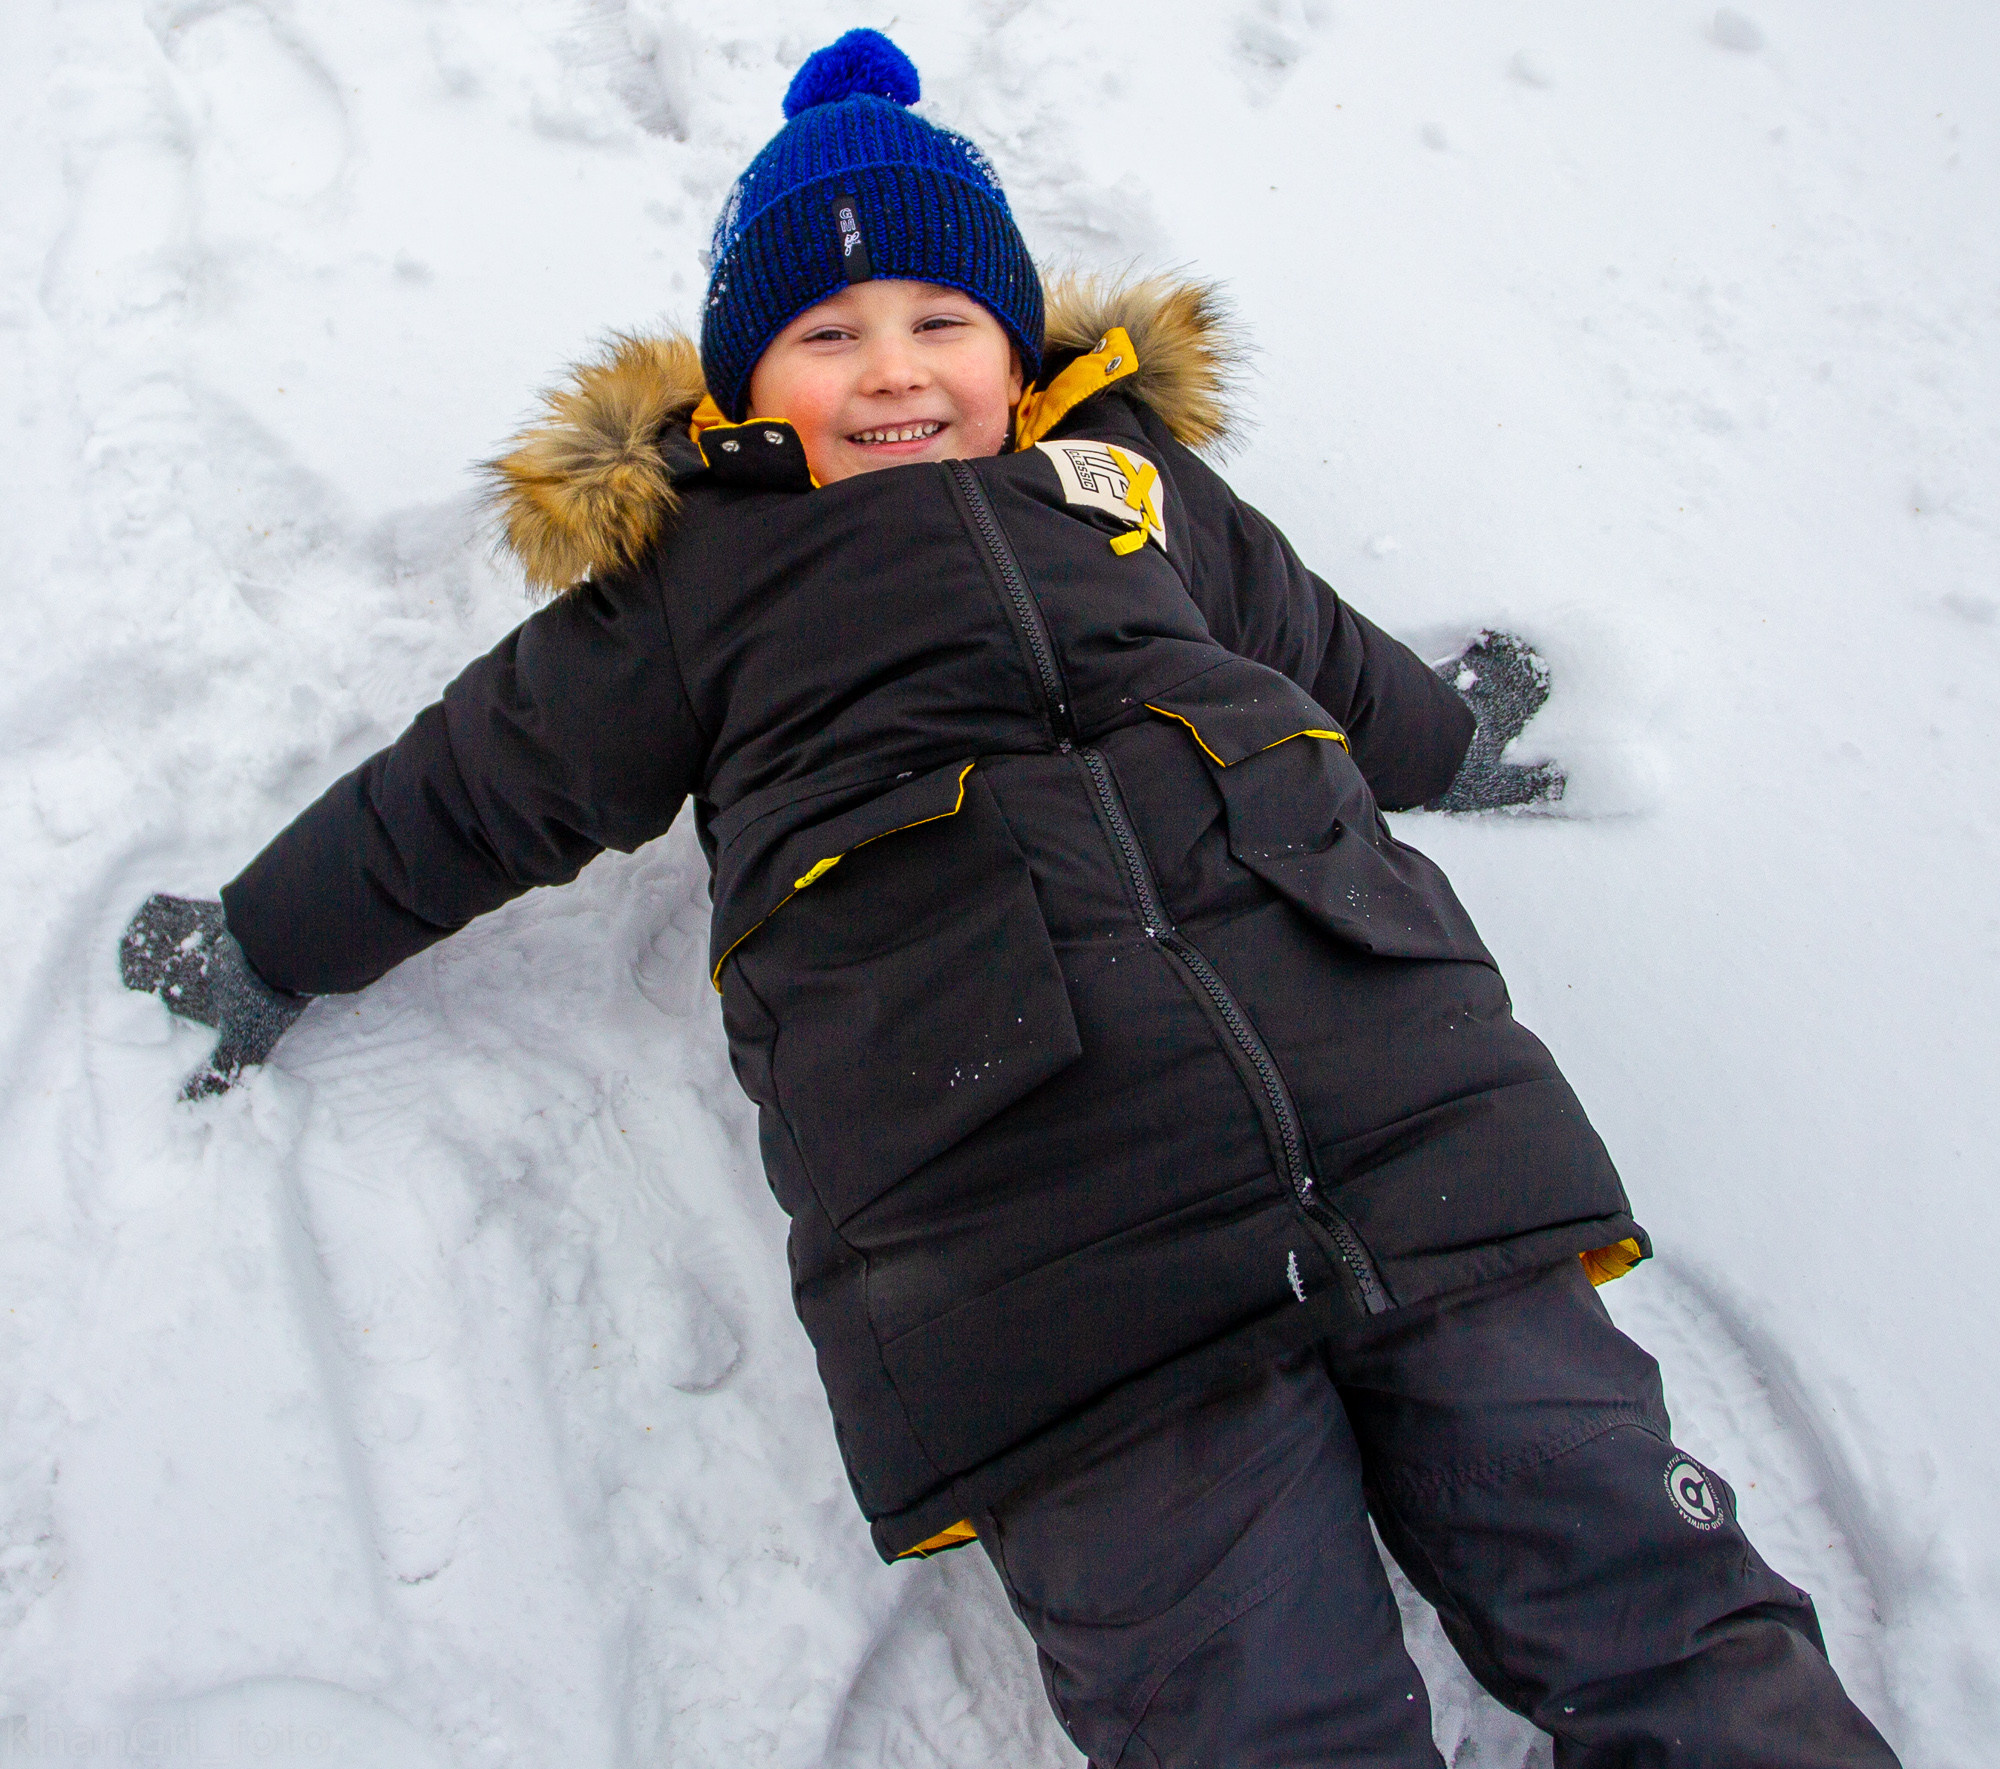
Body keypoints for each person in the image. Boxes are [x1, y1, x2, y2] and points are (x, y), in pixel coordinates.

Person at [122, 29, 1900, 1769]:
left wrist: (1439, 746)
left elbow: (1307, 640)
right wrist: (268, 936)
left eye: (938, 322)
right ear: (749, 384)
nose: (892, 368)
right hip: (1036, 1228)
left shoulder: (1130, 488)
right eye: (828, 336)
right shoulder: (695, 577)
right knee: (1254, 1705)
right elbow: (469, 783)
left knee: (1657, 1592)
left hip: (1407, 1118)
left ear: (1013, 344)